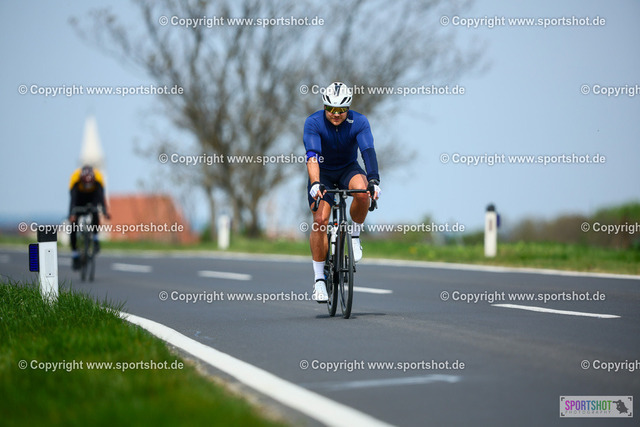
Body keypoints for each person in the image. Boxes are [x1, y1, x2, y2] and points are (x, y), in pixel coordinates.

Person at [303, 82, 381, 302]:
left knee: (363, 193)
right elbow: (312, 155)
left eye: (341, 110)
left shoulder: (360, 122)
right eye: (331, 109)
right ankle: (319, 280)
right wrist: (315, 183)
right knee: (320, 220)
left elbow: (367, 151)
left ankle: (354, 236)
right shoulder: (313, 122)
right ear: (324, 106)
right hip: (323, 173)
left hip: (348, 168)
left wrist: (374, 180)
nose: (336, 114)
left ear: (348, 108)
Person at [68, 165, 110, 270]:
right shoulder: (75, 178)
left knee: (95, 213)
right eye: (85, 184)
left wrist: (104, 211)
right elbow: (73, 199)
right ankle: (75, 254)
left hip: (93, 196)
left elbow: (100, 196)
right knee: (73, 225)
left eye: (89, 184)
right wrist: (72, 214)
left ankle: (95, 238)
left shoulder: (98, 178)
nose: (87, 186)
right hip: (79, 197)